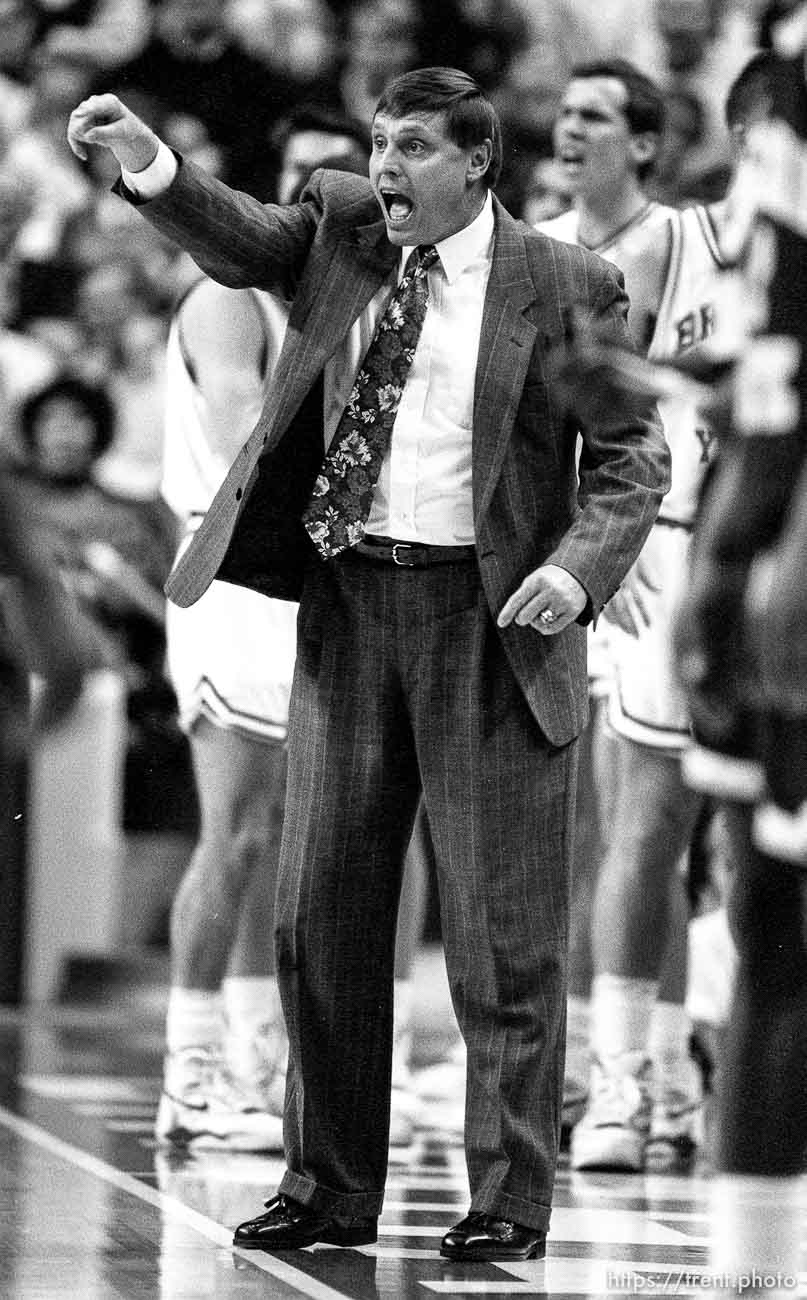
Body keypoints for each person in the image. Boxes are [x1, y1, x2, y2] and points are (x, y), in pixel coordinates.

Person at [67, 66, 669, 1262]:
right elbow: (239, 235)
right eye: (379, 144)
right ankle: (329, 1185)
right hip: (348, 606)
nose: (383, 168)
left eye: (411, 150)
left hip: (497, 620)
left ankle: (510, 1197)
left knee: (504, 932)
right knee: (321, 914)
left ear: (479, 162)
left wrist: (585, 565)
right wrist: (152, 165)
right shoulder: (343, 229)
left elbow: (631, 455)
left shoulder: (568, 282)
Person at [155, 118, 432, 1152]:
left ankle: (260, 1057)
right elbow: (247, 436)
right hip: (242, 566)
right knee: (235, 832)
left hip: (313, 572)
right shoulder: (231, 298)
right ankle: (189, 1073)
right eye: (299, 183)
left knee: (309, 839)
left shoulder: (347, 305)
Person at [671, 8, 807, 1289]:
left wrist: (717, 578)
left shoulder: (783, 150)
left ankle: (753, 1268)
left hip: (786, 577)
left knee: (781, 946)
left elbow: (776, 385)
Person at [535, 57, 679, 1146]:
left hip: (658, 552)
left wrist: (617, 550)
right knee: (586, 829)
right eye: (565, 111)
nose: (570, 128)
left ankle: (644, 1072)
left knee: (653, 824)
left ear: (643, 141)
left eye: (596, 115)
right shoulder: (536, 247)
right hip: (575, 559)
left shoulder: (676, 244)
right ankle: (599, 1062)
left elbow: (639, 429)